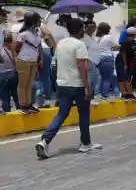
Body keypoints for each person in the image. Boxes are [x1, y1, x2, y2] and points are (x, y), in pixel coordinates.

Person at [35, 18, 102, 159]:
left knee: (61, 114)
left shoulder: (60, 44)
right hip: (77, 85)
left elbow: (54, 65)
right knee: (83, 114)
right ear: (80, 29)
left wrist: (57, 82)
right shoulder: (80, 45)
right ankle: (85, 143)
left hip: (62, 85)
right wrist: (87, 87)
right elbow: (82, 66)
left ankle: (45, 140)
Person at [14, 11, 43, 113]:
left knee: (29, 83)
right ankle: (23, 105)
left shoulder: (38, 32)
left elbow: (39, 46)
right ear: (34, 21)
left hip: (33, 61)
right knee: (22, 84)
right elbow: (16, 48)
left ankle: (29, 104)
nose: (40, 22)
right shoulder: (23, 34)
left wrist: (40, 58)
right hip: (24, 60)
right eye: (39, 20)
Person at [95, 22, 119, 100]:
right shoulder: (109, 37)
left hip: (99, 58)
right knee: (107, 78)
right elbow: (115, 46)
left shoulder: (98, 38)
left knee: (101, 77)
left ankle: (98, 94)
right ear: (107, 29)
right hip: (107, 57)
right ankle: (104, 95)